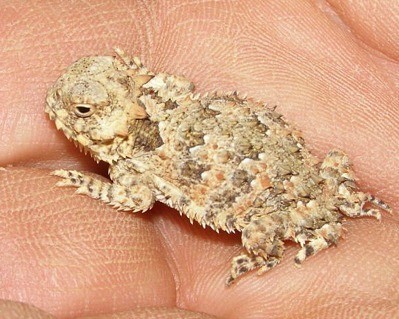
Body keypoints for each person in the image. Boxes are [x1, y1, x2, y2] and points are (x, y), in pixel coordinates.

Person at [0, 1, 398, 318]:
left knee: (262, 235)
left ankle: (268, 251)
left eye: (82, 110)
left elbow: (136, 199)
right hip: (295, 166)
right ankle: (341, 197)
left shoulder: (137, 155)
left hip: (270, 204)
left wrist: (89, 183)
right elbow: (179, 87)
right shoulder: (163, 93)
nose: (63, 107)